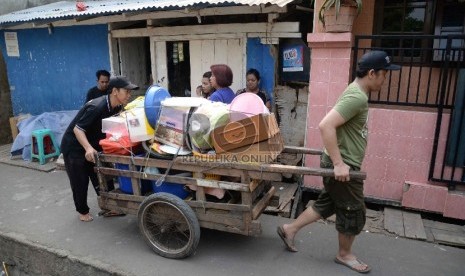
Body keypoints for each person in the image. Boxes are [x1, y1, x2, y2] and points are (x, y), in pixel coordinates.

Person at [277, 51, 400, 274]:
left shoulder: (357, 92)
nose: (385, 79)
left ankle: (289, 228)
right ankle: (344, 255)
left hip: (342, 162)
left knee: (328, 203)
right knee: (353, 209)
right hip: (344, 165)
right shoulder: (357, 97)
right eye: (384, 74)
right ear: (372, 73)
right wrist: (339, 163)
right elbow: (326, 125)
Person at [61, 76, 139, 222]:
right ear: (115, 91)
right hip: (75, 147)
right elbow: (78, 130)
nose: (129, 95)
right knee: (80, 180)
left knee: (103, 175)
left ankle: (109, 206)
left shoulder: (118, 106)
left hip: (94, 144)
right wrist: (88, 148)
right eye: (127, 91)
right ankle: (83, 212)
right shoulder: (97, 106)